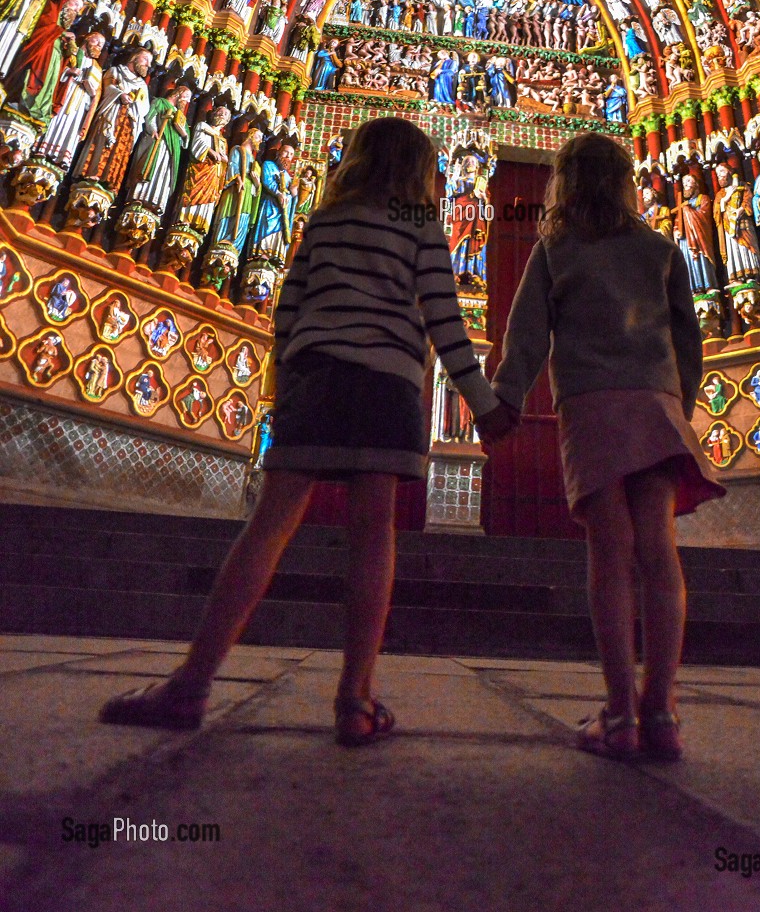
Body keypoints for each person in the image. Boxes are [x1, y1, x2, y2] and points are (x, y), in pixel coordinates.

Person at [99, 117, 516, 744]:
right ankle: (355, 698)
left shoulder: (325, 221)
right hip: (388, 388)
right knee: (373, 535)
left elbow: (287, 311)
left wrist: (284, 383)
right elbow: (444, 318)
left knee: (268, 525)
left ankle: (191, 683)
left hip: (317, 378)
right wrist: (483, 403)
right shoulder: (421, 225)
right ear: (420, 172)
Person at [492, 133, 725, 762]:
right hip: (654, 402)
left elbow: (525, 340)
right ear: (626, 182)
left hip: (591, 407)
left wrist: (503, 404)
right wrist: (682, 402)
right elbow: (688, 337)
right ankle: (664, 710)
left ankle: (620, 714)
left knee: (610, 556)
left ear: (562, 184)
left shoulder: (555, 250)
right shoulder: (660, 249)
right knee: (659, 551)